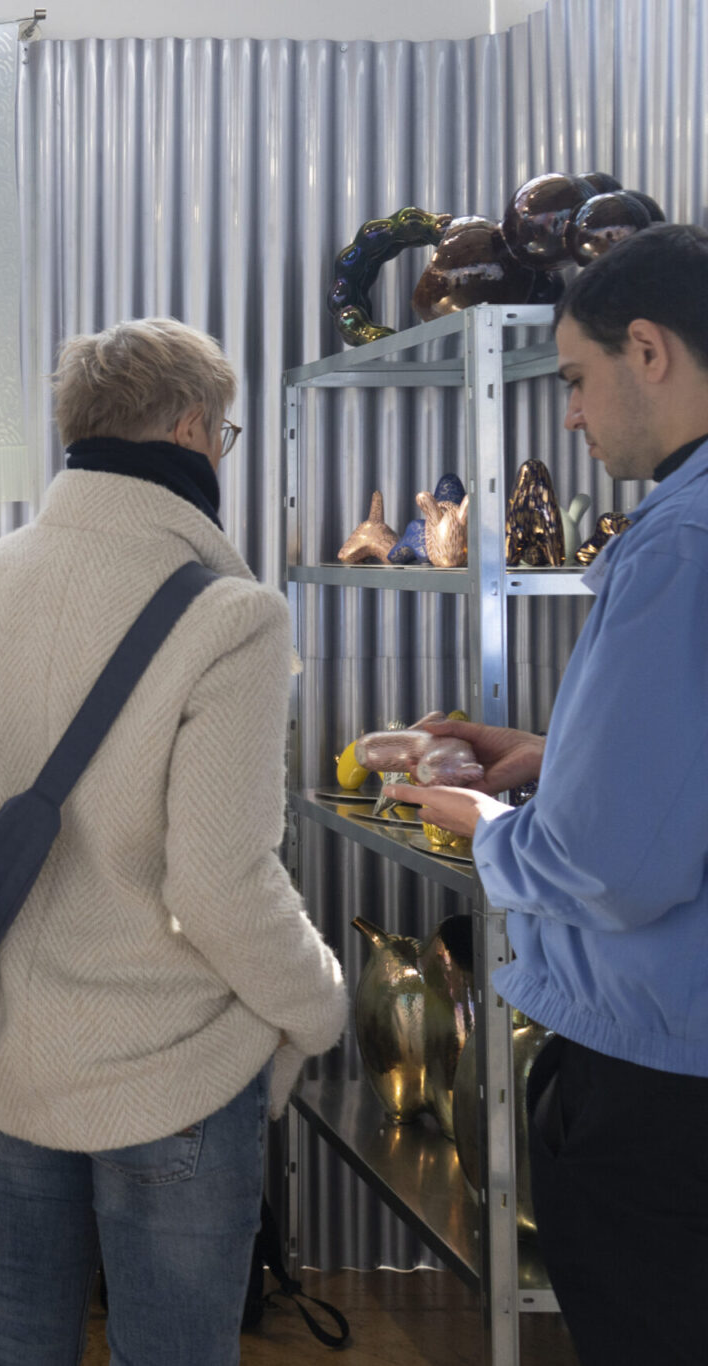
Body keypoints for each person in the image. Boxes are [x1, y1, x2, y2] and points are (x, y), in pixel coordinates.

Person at [0, 318, 347, 1366]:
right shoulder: (232, 617)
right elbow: (220, 882)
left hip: (13, 1049)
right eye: (223, 433)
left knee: (19, 1336)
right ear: (190, 428)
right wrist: (319, 1003)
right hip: (171, 1069)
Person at [383, 222, 708, 1366]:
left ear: (647, 350)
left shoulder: (676, 543)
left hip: (664, 1079)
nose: (568, 414)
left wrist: (485, 826)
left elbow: (612, 869)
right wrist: (551, 749)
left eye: (573, 378)